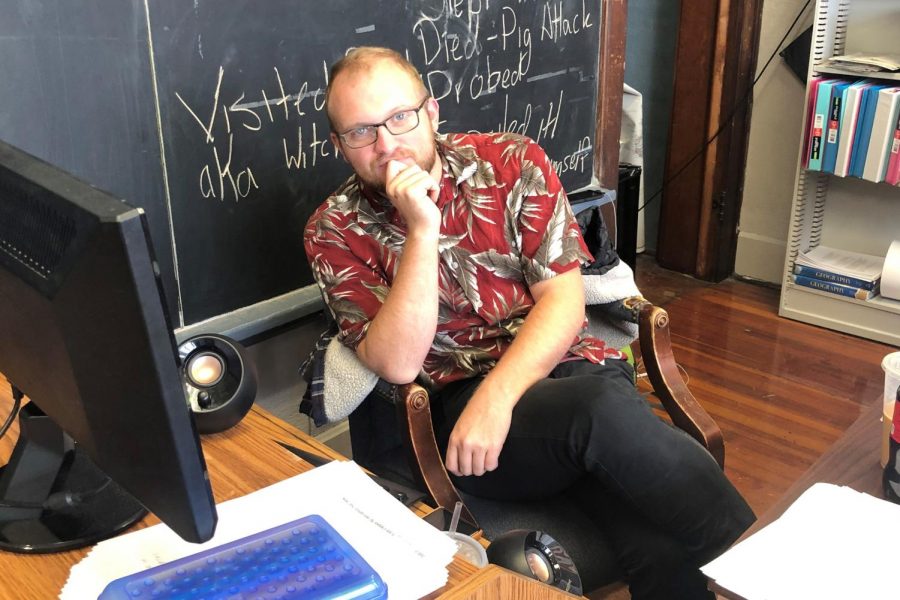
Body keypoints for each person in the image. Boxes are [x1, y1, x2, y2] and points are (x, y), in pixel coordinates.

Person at [304, 46, 755, 599]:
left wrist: (497, 399)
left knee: (653, 536)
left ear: (432, 112)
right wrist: (421, 230)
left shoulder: (512, 162)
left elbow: (563, 303)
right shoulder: (333, 230)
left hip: (560, 378)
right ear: (339, 146)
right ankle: (765, 570)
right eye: (361, 132)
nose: (388, 144)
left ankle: (755, 575)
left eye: (401, 117)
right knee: (601, 411)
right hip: (467, 422)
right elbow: (397, 363)